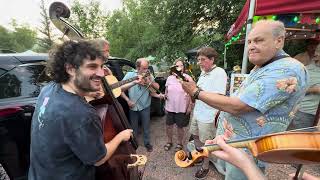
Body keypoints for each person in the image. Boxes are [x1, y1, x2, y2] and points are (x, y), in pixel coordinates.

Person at [181, 20, 308, 180]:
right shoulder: (265, 65)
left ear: (279, 41)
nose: (251, 46)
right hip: (237, 147)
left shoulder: (287, 69)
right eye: (249, 42)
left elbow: (239, 106)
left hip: (247, 153)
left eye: (258, 40)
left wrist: (195, 92)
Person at [28, 40, 133, 180]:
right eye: (92, 67)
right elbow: (98, 159)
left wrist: (87, 93)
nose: (101, 73)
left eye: (101, 66)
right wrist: (121, 136)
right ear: (70, 69)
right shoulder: (82, 114)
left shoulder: (49, 89)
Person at [188, 47, 228, 179]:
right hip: (197, 113)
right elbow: (198, 94)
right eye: (198, 59)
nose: (199, 62)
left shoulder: (219, 72)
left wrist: (196, 89)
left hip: (208, 116)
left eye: (203, 59)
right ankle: (199, 157)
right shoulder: (203, 73)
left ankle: (205, 166)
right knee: (195, 137)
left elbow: (220, 96)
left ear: (212, 59)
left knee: (207, 143)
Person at [121, 58, 165, 152]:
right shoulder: (130, 75)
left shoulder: (148, 75)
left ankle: (147, 143)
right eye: (144, 68)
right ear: (137, 67)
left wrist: (149, 81)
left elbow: (155, 89)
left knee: (146, 126)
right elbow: (120, 89)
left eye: (147, 68)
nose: (146, 70)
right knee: (134, 128)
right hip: (133, 107)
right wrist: (128, 100)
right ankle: (133, 144)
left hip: (145, 106)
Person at [163, 58, 194, 152]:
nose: (179, 67)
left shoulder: (187, 78)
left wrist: (189, 106)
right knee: (169, 126)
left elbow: (192, 93)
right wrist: (165, 102)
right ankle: (169, 141)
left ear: (184, 67)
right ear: (173, 67)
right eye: (177, 66)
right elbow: (166, 91)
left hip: (182, 107)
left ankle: (179, 143)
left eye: (181, 65)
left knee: (180, 127)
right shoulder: (169, 78)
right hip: (170, 107)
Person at [288, 43, 320, 130]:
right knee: (298, 141)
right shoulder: (307, 70)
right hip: (305, 114)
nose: (315, 53)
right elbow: (293, 89)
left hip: (316, 118)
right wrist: (314, 89)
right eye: (316, 51)